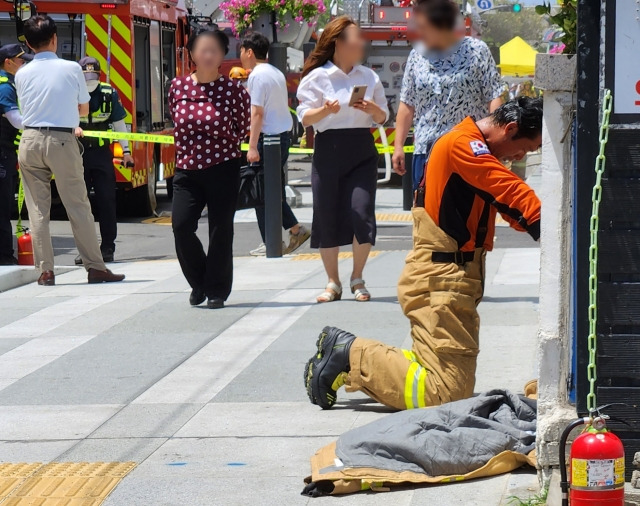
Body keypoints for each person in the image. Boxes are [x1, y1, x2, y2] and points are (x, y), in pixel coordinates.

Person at [304, 98, 543, 410]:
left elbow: (508, 206)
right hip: (442, 281)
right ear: (510, 129)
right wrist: (550, 222)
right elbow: (511, 192)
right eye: (526, 148)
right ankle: (350, 354)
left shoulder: (474, 147)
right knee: (446, 394)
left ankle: (354, 354)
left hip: (452, 280)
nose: (520, 157)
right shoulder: (463, 145)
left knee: (446, 379)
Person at [15, 15, 124, 286]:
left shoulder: (22, 73)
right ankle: (95, 267)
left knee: (37, 210)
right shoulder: (71, 69)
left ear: (27, 44)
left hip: (29, 140)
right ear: (55, 39)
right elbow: (84, 109)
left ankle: (45, 271)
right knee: (77, 205)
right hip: (62, 141)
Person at [296, 16, 389, 303]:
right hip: (329, 148)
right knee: (327, 213)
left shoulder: (368, 76)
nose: (361, 43)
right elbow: (305, 117)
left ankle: (357, 277)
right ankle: (332, 281)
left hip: (361, 147)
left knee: (361, 212)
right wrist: (325, 111)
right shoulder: (317, 77)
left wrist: (373, 109)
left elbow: (384, 116)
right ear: (338, 43)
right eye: (355, 37)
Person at [168, 28, 250, 309]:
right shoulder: (177, 87)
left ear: (222, 55)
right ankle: (199, 281)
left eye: (214, 49)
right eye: (202, 49)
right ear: (191, 54)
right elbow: (175, 119)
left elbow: (243, 128)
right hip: (186, 169)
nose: (207, 54)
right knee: (180, 226)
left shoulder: (234, 90)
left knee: (220, 230)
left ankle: (216, 290)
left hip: (222, 167)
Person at [392, 0, 505, 189]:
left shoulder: (477, 51)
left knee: (469, 214)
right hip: (426, 150)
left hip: (469, 150)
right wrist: (398, 147)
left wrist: (497, 143)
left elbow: (494, 97)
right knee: (426, 214)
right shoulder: (416, 56)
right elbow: (407, 104)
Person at [240, 32, 310, 257]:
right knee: (271, 190)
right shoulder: (275, 72)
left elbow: (257, 113)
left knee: (260, 192)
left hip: (266, 140)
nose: (240, 55)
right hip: (281, 138)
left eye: (241, 51)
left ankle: (274, 240)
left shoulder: (257, 76)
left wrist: (252, 146)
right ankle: (290, 232)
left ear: (249, 52)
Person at [75, 56, 134, 265]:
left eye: (92, 77)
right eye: (85, 78)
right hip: (77, 154)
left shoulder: (108, 93)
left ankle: (107, 247)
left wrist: (126, 151)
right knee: (80, 204)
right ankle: (86, 250)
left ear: (99, 76)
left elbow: (119, 123)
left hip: (101, 154)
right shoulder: (71, 91)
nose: (89, 82)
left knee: (106, 200)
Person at [0, 44, 31, 265]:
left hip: (6, 152)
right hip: (2, 154)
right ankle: (4, 257)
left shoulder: (9, 84)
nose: (24, 64)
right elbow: (16, 120)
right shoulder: (5, 87)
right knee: (2, 208)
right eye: (21, 61)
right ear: (8, 62)